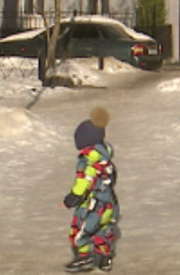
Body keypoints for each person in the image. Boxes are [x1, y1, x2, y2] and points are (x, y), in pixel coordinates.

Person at [62, 107, 119, 273]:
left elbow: (83, 182)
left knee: (79, 232)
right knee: (102, 232)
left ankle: (84, 258)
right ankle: (104, 258)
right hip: (109, 203)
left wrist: (71, 198)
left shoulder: (88, 161)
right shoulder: (105, 159)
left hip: (92, 205)